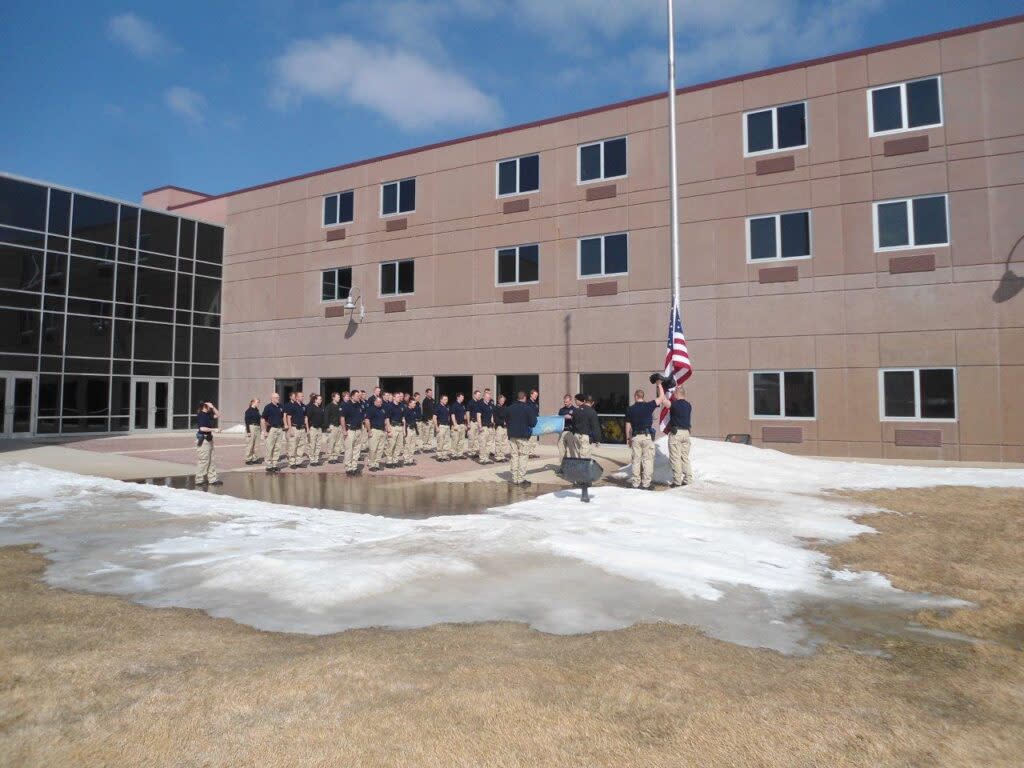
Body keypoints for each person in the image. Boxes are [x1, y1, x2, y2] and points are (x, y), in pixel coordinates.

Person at [657, 381, 693, 487]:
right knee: (684, 457)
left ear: (677, 394)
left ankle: (677, 481)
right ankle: (688, 479)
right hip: (686, 433)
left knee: (675, 458)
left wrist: (660, 385)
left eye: (674, 393)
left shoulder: (674, 404)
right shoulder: (688, 405)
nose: (673, 394)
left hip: (676, 434)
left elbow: (662, 399)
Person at [625, 388, 658, 490]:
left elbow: (628, 425)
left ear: (635, 396)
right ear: (643, 397)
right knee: (647, 460)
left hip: (635, 437)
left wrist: (628, 439)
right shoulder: (649, 405)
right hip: (647, 437)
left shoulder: (630, 409)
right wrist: (658, 385)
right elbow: (660, 398)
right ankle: (646, 484)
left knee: (636, 460)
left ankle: (635, 483)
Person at [506, 391, 538, 486]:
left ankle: (514, 478)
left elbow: (506, 420)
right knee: (523, 457)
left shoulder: (510, 408)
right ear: (524, 398)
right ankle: (520, 479)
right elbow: (533, 423)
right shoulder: (527, 408)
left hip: (512, 436)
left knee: (514, 456)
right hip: (523, 436)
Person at [195, 401, 222, 486]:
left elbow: (218, 415)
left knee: (211, 460)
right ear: (204, 406)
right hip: (204, 440)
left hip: (209, 440)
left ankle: (212, 479)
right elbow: (202, 428)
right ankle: (199, 480)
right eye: (209, 406)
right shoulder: (201, 415)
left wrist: (213, 407)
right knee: (203, 461)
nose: (210, 408)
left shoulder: (208, 415)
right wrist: (214, 430)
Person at [261, 392, 286, 473]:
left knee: (277, 447)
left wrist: (284, 425)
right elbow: (263, 419)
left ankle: (274, 465)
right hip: (272, 429)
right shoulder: (268, 407)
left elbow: (283, 417)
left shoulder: (281, 406)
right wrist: (264, 431)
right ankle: (269, 465)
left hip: (279, 429)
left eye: (278, 397)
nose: (278, 398)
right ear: (272, 398)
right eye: (276, 397)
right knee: (270, 447)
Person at [284, 392, 309, 469]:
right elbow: (289, 418)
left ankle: (298, 462)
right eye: (301, 396)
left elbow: (305, 417)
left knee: (301, 446)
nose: (302, 397)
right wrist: (290, 429)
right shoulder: (292, 406)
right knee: (293, 446)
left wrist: (307, 428)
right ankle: (292, 463)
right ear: (297, 397)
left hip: (302, 428)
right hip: (294, 428)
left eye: (303, 396)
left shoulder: (304, 406)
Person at [572, 393, 601, 460]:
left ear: (584, 401)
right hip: (585, 437)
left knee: (578, 456)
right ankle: (582, 470)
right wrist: (597, 440)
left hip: (576, 435)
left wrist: (574, 433)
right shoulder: (592, 412)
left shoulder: (576, 410)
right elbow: (595, 427)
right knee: (584, 458)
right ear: (592, 403)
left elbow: (573, 423)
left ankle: (578, 469)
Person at [342, 391, 364, 475]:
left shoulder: (359, 405)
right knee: (349, 450)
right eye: (357, 395)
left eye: (359, 395)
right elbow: (342, 418)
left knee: (357, 450)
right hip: (350, 430)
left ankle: (354, 467)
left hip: (358, 430)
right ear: (352, 396)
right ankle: (348, 468)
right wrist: (344, 430)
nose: (359, 397)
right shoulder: (346, 405)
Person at [364, 395, 388, 471]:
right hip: (374, 431)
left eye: (381, 401)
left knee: (380, 449)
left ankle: (377, 464)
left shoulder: (383, 409)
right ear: (375, 402)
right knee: (373, 449)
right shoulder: (370, 409)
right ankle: (371, 465)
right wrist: (369, 431)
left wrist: (386, 430)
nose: (380, 403)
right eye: (378, 401)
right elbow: (367, 420)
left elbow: (385, 420)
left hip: (382, 431)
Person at [384, 391, 406, 468]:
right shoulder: (389, 406)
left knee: (398, 446)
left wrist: (404, 430)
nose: (399, 398)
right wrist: (388, 430)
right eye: (397, 397)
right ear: (393, 397)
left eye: (400, 397)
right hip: (393, 427)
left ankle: (395, 461)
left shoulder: (402, 406)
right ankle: (389, 462)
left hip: (400, 427)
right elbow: (387, 419)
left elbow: (403, 419)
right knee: (391, 445)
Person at [306, 394, 327, 466]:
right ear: (315, 400)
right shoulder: (311, 407)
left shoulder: (321, 408)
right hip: (313, 429)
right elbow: (306, 418)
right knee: (312, 445)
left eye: (321, 399)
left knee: (318, 445)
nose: (321, 401)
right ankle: (312, 460)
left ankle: (316, 459)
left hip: (319, 429)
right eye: (319, 399)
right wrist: (308, 429)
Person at [556, 394, 576, 470]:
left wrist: (571, 417)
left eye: (566, 402)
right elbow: (558, 420)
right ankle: (563, 468)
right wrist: (563, 417)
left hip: (570, 432)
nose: (565, 403)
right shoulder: (561, 410)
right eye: (564, 402)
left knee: (572, 450)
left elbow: (577, 420)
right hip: (562, 432)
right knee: (561, 451)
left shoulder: (574, 409)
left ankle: (574, 467)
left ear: (570, 401)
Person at [476, 390, 495, 464]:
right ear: (484, 397)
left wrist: (492, 423)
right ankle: (482, 458)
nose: (488, 398)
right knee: (483, 443)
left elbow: (491, 415)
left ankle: (486, 458)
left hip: (489, 427)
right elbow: (478, 416)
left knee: (489, 444)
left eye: (489, 397)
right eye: (487, 397)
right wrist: (480, 426)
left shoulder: (490, 405)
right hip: (483, 427)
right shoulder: (480, 404)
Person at [325, 391, 344, 465]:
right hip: (332, 426)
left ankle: (335, 458)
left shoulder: (339, 406)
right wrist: (328, 426)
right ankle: (330, 458)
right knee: (331, 443)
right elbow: (326, 417)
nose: (339, 398)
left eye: (339, 397)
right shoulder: (329, 406)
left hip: (339, 426)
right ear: (333, 397)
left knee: (338, 443)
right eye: (338, 397)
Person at [243, 399, 262, 465]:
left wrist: (260, 428)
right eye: (257, 402)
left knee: (256, 444)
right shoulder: (248, 411)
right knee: (250, 444)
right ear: (253, 402)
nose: (258, 403)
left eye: (259, 402)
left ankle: (254, 458)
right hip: (251, 427)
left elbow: (259, 419)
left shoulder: (257, 410)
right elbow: (247, 421)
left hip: (257, 427)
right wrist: (248, 431)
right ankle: (248, 459)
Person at [434, 394, 451, 461]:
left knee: (446, 441)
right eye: (444, 399)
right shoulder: (437, 407)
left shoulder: (447, 407)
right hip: (441, 426)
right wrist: (436, 427)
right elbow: (434, 418)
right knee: (440, 441)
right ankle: (439, 456)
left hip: (446, 426)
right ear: (441, 400)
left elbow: (448, 416)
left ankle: (444, 455)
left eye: (447, 399)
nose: (446, 401)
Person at [450, 393, 467, 459]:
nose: (463, 398)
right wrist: (455, 424)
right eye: (462, 397)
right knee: (455, 440)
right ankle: (453, 454)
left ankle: (460, 453)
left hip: (462, 424)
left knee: (461, 440)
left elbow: (464, 415)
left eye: (463, 397)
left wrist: (465, 424)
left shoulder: (462, 405)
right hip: (456, 425)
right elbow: (452, 415)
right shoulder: (454, 405)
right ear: (458, 397)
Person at [403, 397, 420, 465]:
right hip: (408, 428)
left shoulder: (414, 410)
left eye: (415, 404)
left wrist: (416, 430)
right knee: (407, 445)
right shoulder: (406, 410)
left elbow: (414, 421)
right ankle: (406, 460)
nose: (414, 405)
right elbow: (404, 421)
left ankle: (410, 459)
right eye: (413, 403)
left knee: (412, 445)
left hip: (413, 429)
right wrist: (404, 431)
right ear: (409, 403)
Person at [492, 393, 509, 462]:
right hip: (499, 427)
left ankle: (502, 456)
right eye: (501, 400)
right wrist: (503, 422)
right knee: (498, 442)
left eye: (503, 400)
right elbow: (495, 419)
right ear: (498, 400)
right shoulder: (495, 408)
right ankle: (498, 457)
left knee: (504, 443)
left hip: (505, 428)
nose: (503, 401)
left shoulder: (505, 408)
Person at [466, 390, 482, 458]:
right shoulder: (470, 402)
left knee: (476, 438)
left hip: (477, 423)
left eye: (480, 395)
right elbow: (467, 413)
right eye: (478, 395)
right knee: (471, 438)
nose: (479, 396)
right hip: (472, 422)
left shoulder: (479, 403)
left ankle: (475, 452)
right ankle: (470, 452)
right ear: (474, 395)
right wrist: (468, 422)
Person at [527, 388, 540, 456]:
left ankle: (532, 452)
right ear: (531, 395)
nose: (536, 397)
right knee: (530, 439)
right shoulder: (528, 403)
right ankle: (529, 452)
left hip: (535, 423)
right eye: (535, 395)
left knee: (534, 439)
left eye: (537, 395)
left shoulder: (536, 404)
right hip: (529, 423)